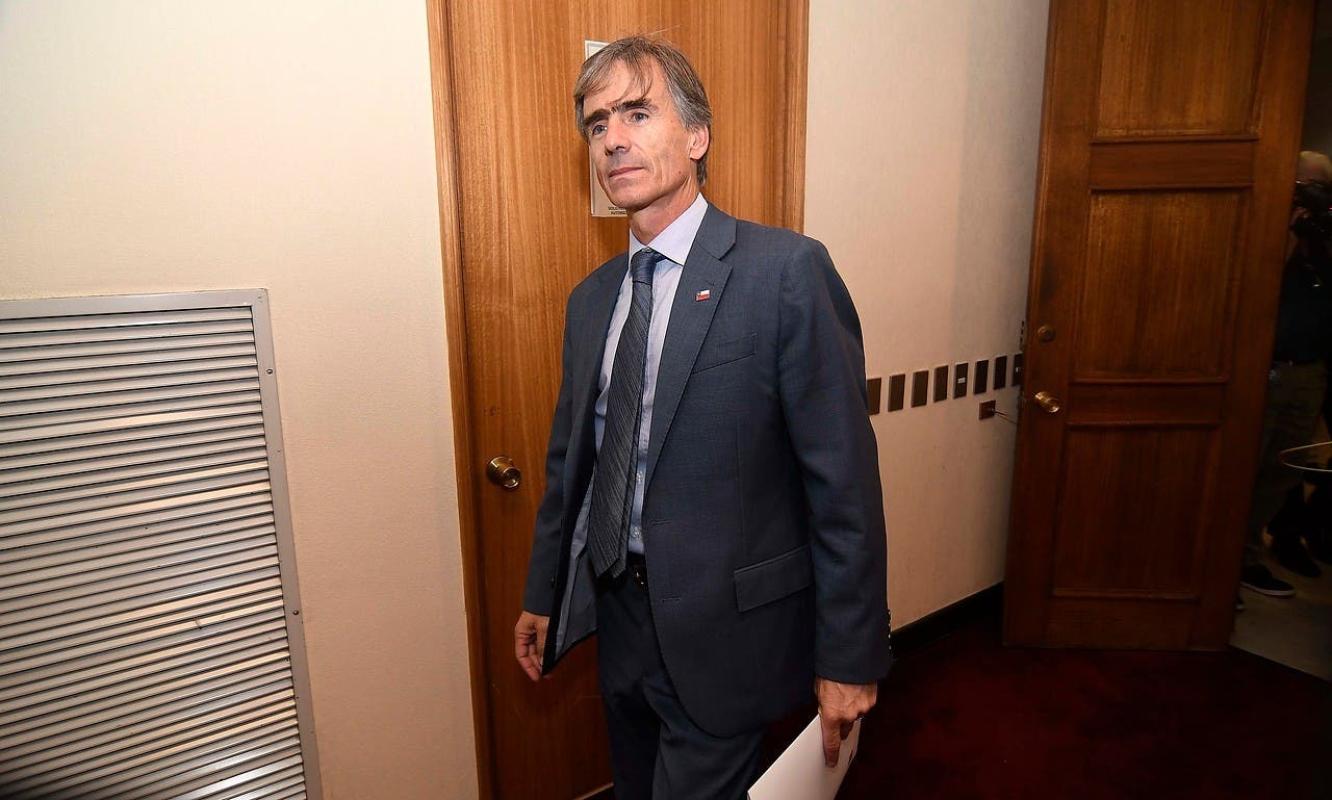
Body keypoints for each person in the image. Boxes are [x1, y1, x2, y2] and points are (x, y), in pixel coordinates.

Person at [512, 36, 892, 799]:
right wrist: (544, 593)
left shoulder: (785, 273)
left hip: (730, 635)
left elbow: (844, 486)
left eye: (636, 113)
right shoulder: (591, 302)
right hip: (619, 624)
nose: (612, 139)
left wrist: (851, 656)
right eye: (597, 124)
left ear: (696, 137)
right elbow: (571, 467)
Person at [1240, 151, 1332, 599]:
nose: (1311, 195)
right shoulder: (1266, 226)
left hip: (1311, 371)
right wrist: (1289, 231)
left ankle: (1246, 556)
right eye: (1304, 185)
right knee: (1243, 468)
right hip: (1266, 368)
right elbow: (1257, 284)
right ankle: (1219, 564)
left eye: (1321, 187)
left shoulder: (1324, 236)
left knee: (1283, 474)